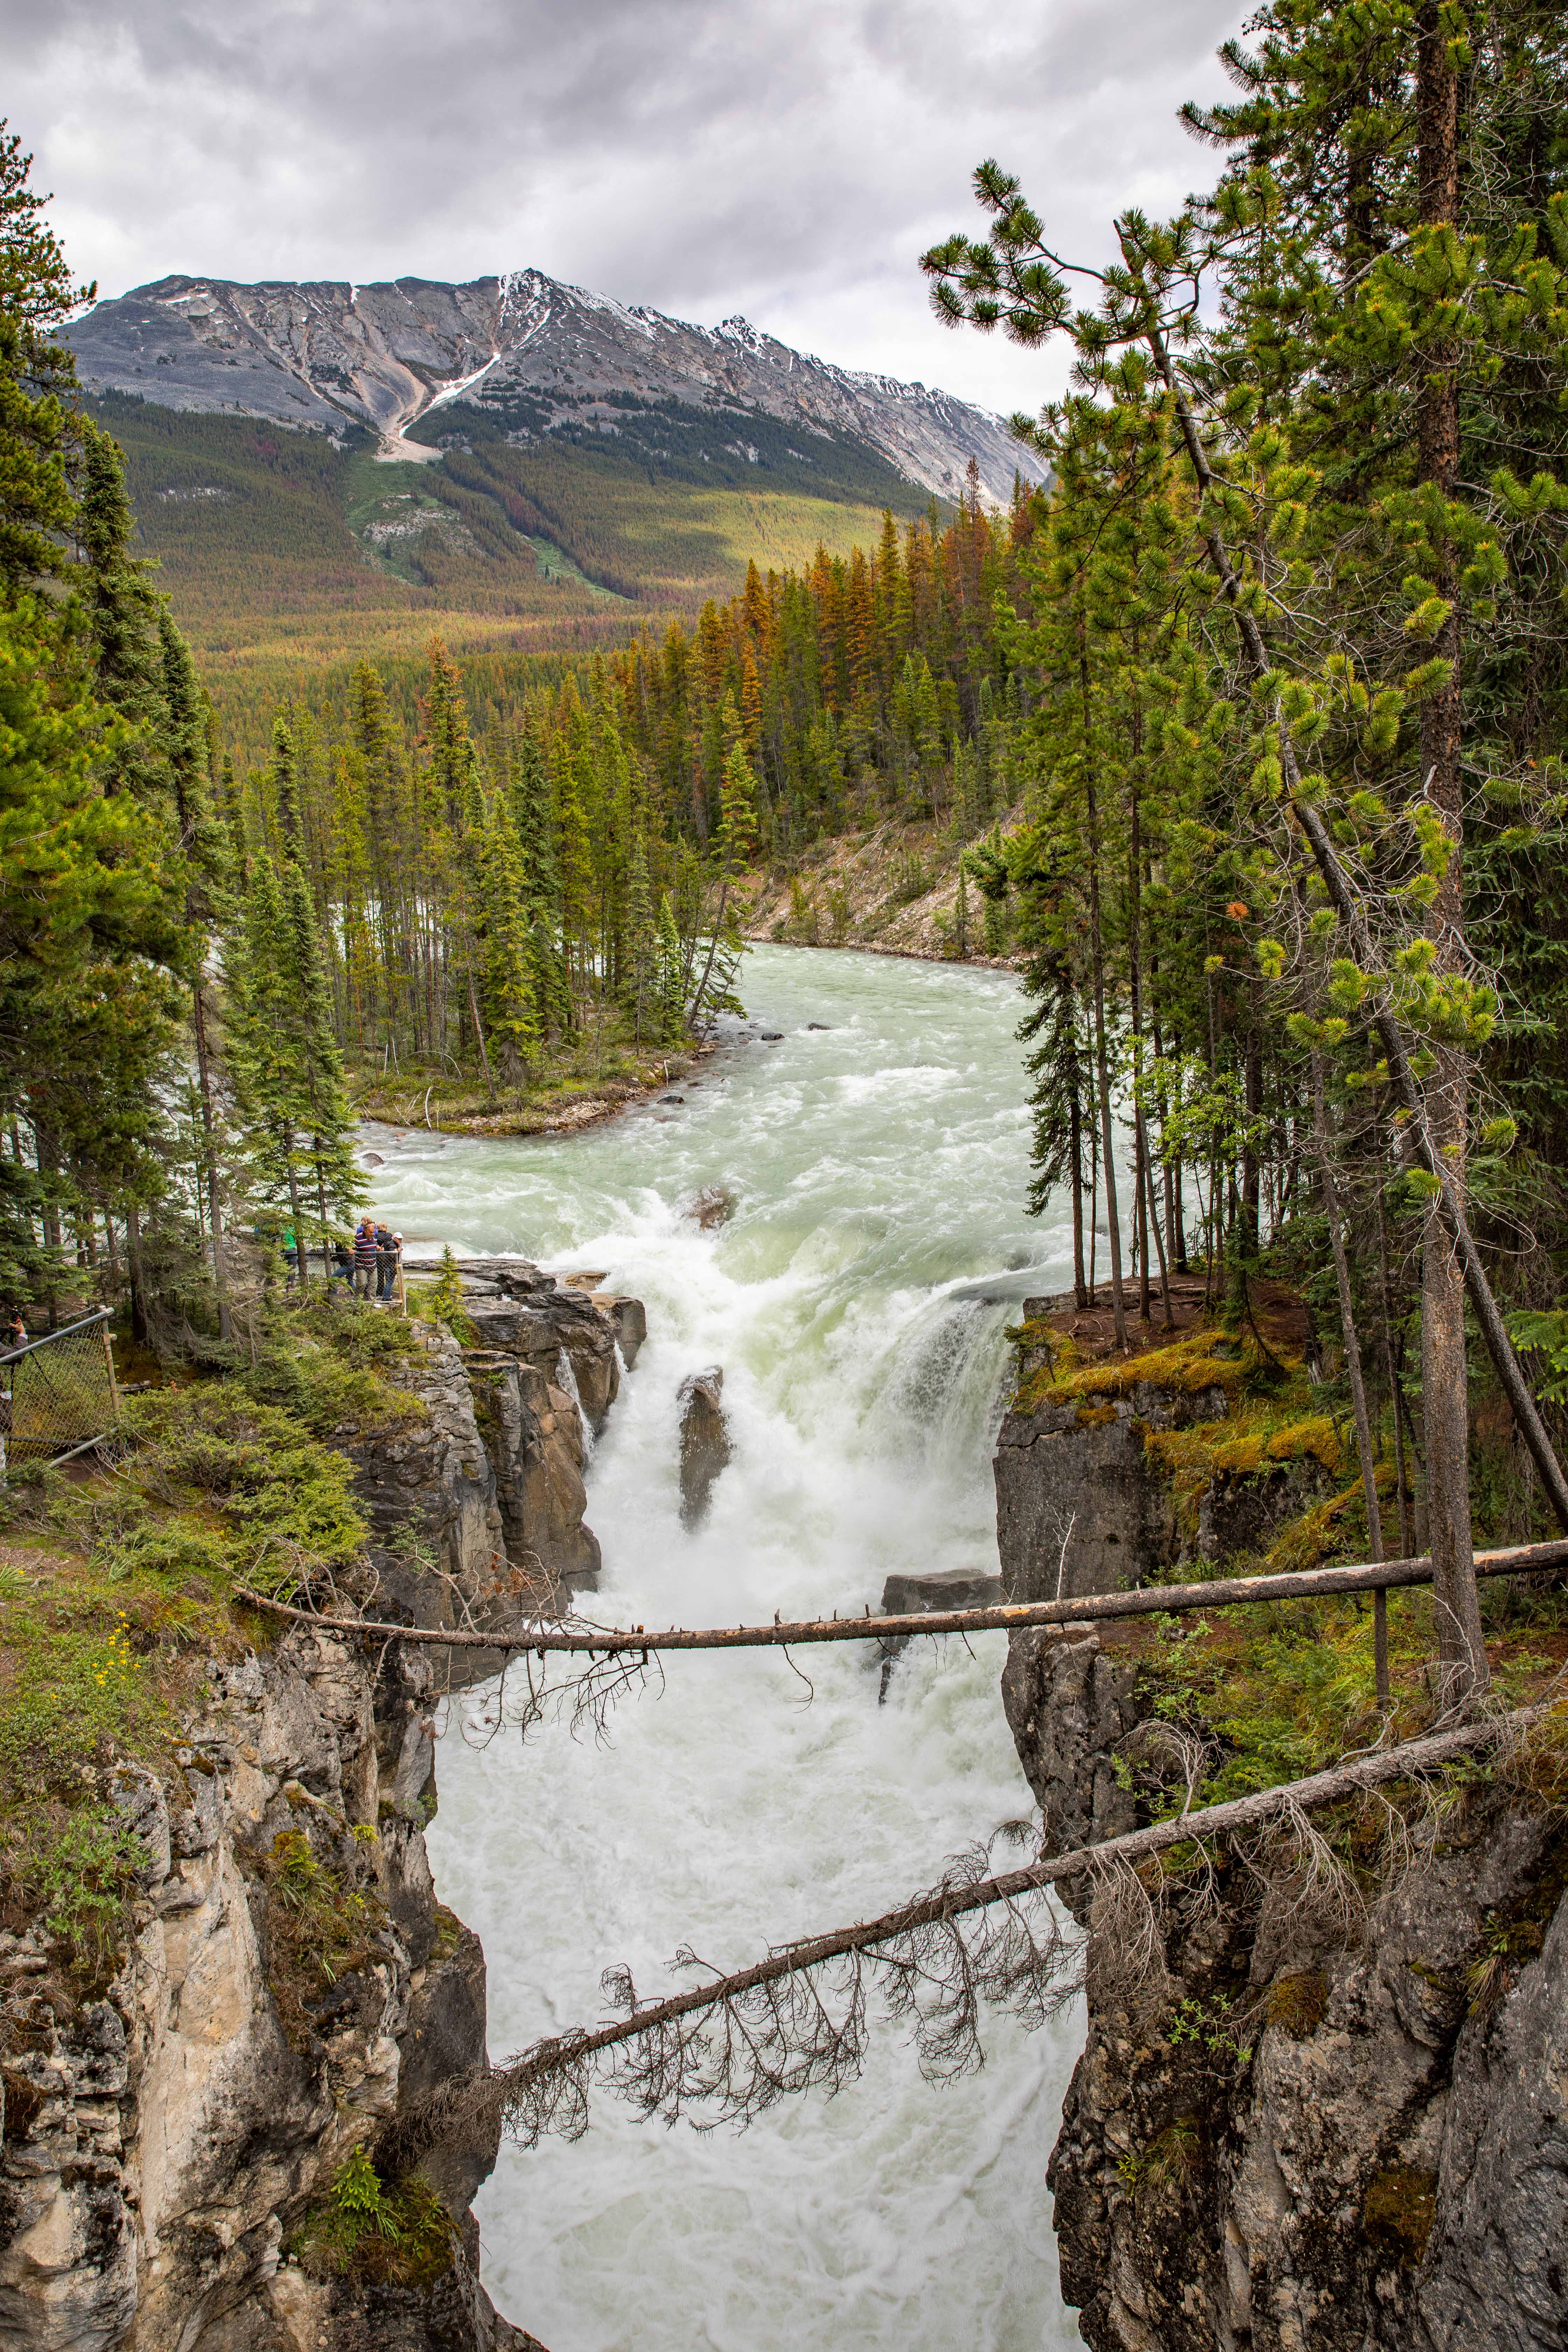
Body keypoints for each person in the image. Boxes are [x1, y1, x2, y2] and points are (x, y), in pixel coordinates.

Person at [353, 1217, 379, 1300]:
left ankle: (373, 1301)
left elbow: (376, 1244)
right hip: (362, 1265)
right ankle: (356, 1299)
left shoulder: (374, 1237)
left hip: (373, 1265)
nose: (372, 1234)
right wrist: (350, 1250)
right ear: (365, 1231)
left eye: (373, 1232)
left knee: (374, 1284)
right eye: (371, 1233)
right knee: (362, 1284)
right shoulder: (358, 1238)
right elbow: (350, 1246)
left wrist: (379, 1248)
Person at [375, 1219, 397, 1301]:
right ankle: (388, 1293)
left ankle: (380, 1293)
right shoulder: (389, 1236)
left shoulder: (376, 1236)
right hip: (387, 1258)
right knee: (389, 1277)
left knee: (380, 1276)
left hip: (379, 1257)